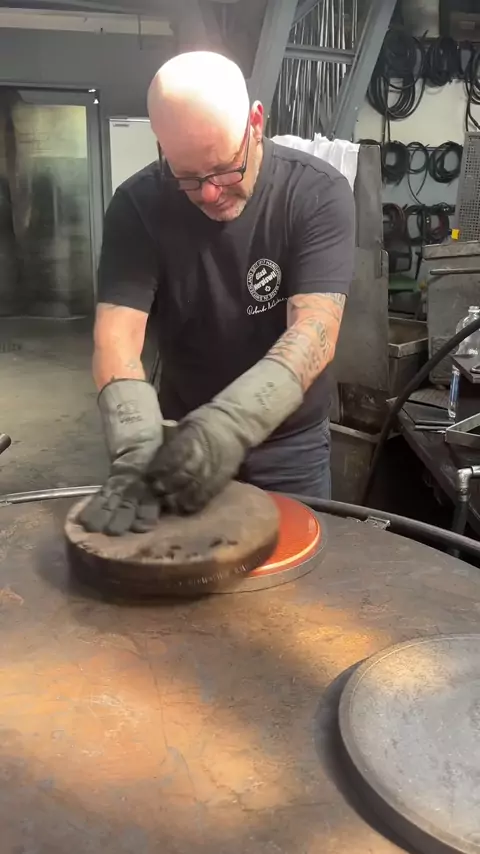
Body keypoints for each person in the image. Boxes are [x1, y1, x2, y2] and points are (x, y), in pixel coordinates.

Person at [79, 50, 355, 536]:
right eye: (187, 176)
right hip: (177, 445)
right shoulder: (137, 206)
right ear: (161, 144)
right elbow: (116, 337)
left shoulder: (316, 193)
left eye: (225, 169)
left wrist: (231, 423)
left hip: (289, 449)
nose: (209, 192)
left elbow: (315, 329)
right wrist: (136, 442)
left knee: (297, 574)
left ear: (256, 123)